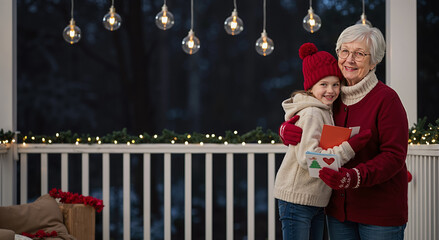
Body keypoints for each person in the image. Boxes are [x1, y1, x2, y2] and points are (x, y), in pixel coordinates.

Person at [279, 24, 409, 240]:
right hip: (338, 212)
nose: (349, 59)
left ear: (374, 61)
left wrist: (354, 177)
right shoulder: (331, 97)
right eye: (344, 51)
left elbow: (394, 156)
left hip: (379, 212)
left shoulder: (387, 100)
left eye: (359, 54)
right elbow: (307, 117)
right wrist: (287, 130)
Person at [273, 42, 372, 240]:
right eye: (323, 84)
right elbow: (308, 159)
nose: (331, 90)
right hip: (297, 200)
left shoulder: (327, 110)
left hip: (316, 200)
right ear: (311, 87)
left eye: (335, 84)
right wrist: (348, 148)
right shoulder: (312, 113)